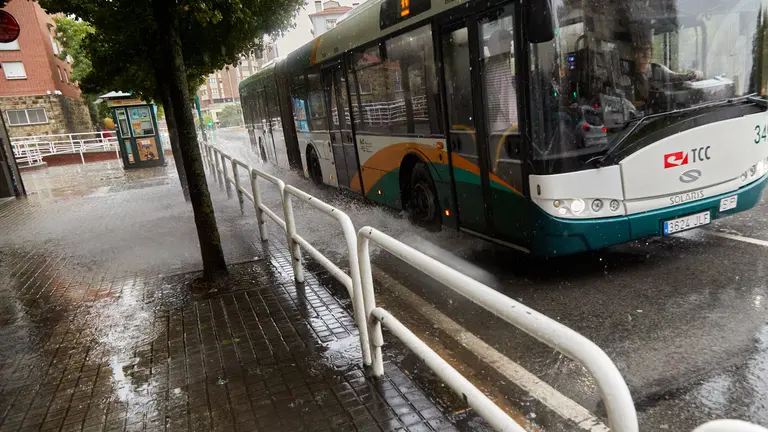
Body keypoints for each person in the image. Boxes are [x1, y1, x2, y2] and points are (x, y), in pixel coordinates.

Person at [632, 41, 703, 108]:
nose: (646, 53)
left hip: (659, 110)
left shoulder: (658, 69)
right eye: (641, 50)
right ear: (635, 53)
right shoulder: (629, 73)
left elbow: (674, 77)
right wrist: (631, 104)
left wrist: (693, 74)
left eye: (647, 49)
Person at [484, 29, 518, 133]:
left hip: (492, 126)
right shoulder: (500, 67)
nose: (510, 46)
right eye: (508, 43)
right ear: (498, 45)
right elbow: (507, 99)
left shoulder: (488, 66)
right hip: (503, 128)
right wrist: (516, 122)